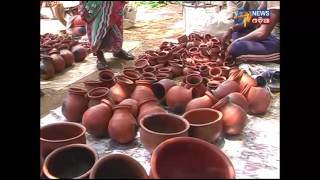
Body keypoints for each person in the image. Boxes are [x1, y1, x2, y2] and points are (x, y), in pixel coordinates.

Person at [79, 1, 134, 70]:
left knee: (116, 24)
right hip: (95, 5)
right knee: (97, 28)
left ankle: (117, 51)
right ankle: (99, 56)